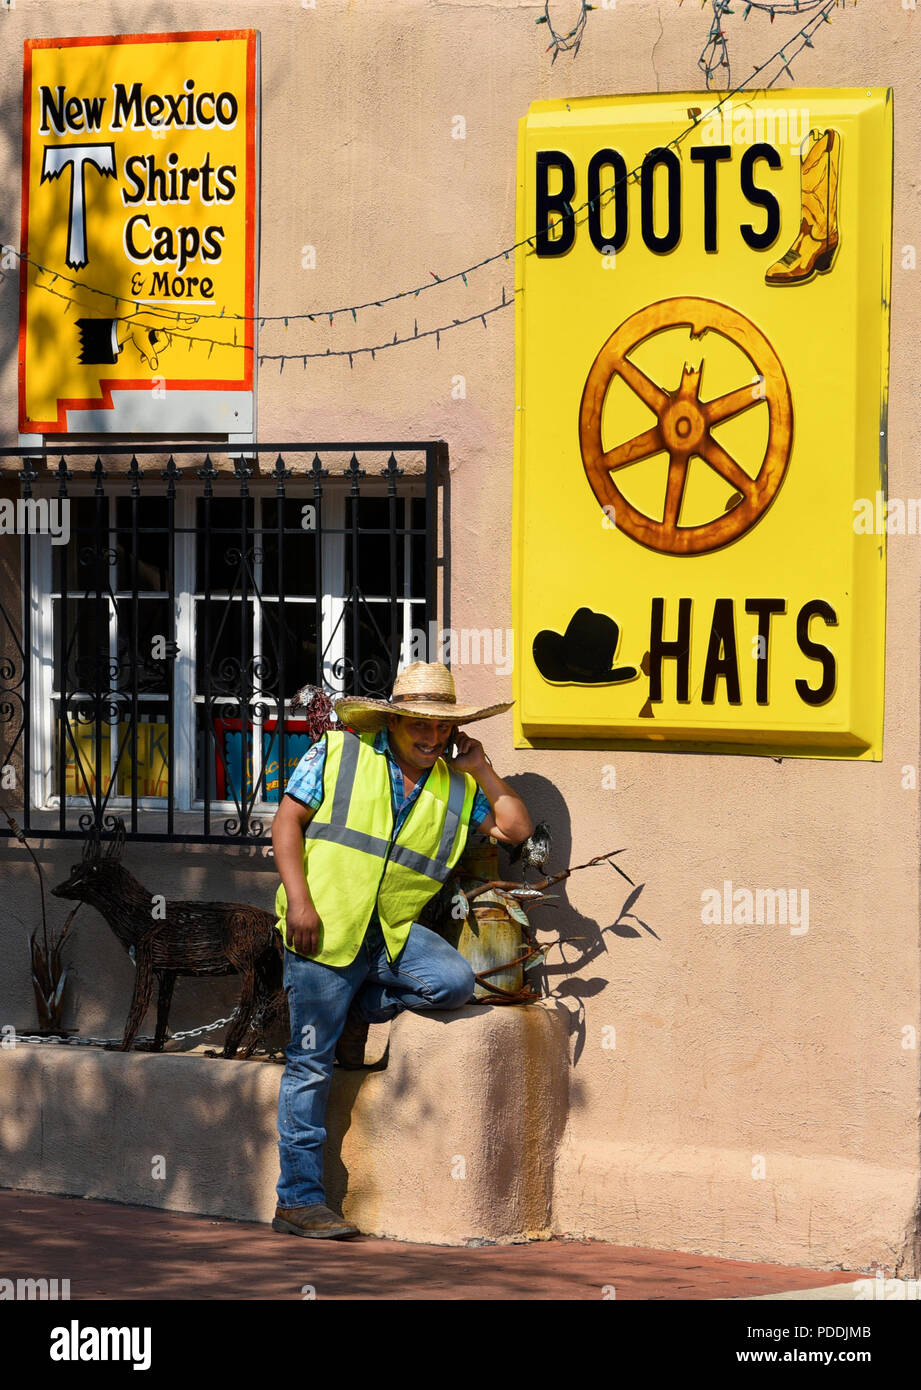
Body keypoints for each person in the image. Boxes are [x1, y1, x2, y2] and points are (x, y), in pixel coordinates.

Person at [270, 660, 533, 1239]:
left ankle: (356, 1007)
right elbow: (286, 824)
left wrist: (483, 767)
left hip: (388, 935)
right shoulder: (339, 755)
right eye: (419, 723)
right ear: (393, 720)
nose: (431, 737)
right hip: (325, 927)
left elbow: (517, 830)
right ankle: (298, 1201)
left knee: (454, 982)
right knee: (309, 1066)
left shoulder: (459, 787)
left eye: (442, 727)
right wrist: (301, 902)